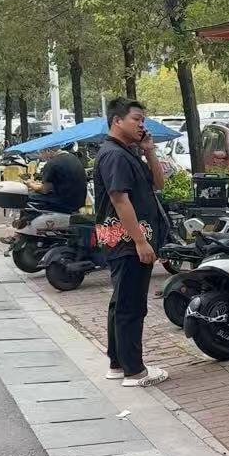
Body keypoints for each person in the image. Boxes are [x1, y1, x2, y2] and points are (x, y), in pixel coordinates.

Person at [93, 98, 169, 387]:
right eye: (136, 119)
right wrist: (140, 241)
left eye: (142, 120)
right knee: (131, 306)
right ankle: (134, 371)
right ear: (117, 121)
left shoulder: (128, 153)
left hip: (126, 240)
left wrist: (149, 151)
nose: (142, 125)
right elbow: (119, 199)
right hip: (127, 242)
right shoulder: (114, 155)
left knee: (121, 302)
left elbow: (158, 184)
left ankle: (118, 363)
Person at [28, 145, 88, 214]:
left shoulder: (52, 163)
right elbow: (60, 183)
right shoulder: (74, 158)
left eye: (41, 153)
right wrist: (36, 184)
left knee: (26, 196)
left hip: (63, 202)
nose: (41, 156)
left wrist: (30, 185)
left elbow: (44, 190)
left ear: (48, 151)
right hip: (78, 201)